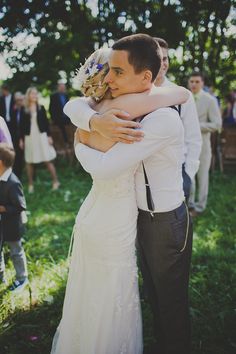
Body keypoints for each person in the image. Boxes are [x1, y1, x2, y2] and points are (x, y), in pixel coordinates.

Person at [51, 36, 190, 354]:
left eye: (118, 71)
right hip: (133, 214)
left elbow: (104, 168)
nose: (109, 79)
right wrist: (92, 122)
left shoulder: (162, 117)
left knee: (169, 300)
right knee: (151, 293)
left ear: (144, 77)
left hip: (163, 220)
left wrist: (81, 137)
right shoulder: (123, 107)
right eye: (108, 71)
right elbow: (75, 105)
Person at [154, 37, 202, 202]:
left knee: (177, 225)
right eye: (157, 59)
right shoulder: (134, 94)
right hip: (145, 175)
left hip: (176, 173)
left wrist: (188, 173)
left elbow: (194, 137)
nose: (162, 63)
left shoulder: (182, 95)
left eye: (165, 58)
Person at [188, 72, 222, 215]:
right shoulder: (185, 98)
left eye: (197, 81)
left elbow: (217, 124)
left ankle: (200, 207)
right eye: (191, 81)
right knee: (189, 175)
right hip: (187, 144)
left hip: (203, 144)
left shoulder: (210, 100)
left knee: (202, 176)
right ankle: (189, 204)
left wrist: (196, 125)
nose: (194, 84)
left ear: (202, 83)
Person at [19, 87, 59, 193]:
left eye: (36, 94)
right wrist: (21, 139)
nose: (34, 96)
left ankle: (55, 181)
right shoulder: (24, 109)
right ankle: (31, 184)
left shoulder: (41, 108)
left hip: (42, 136)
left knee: (47, 159)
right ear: (28, 95)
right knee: (29, 161)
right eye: (32, 94)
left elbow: (46, 124)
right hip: (29, 137)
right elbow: (21, 126)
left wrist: (49, 137)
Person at [0, 143, 28, 291]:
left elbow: (20, 206)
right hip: (1, 224)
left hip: (12, 225)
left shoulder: (13, 182)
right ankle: (1, 275)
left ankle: (22, 278)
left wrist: (3, 208)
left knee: (16, 251)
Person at [11, 92, 25, 179]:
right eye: (17, 100)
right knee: (17, 155)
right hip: (15, 136)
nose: (18, 102)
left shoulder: (25, 109)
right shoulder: (13, 110)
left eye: (20, 100)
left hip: (24, 136)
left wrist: (21, 138)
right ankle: (17, 174)